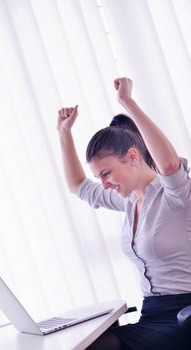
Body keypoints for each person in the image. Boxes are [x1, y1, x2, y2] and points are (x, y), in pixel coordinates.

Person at [57, 77, 191, 350]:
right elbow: (78, 187)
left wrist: (127, 102)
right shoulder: (128, 201)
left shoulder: (176, 195)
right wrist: (64, 133)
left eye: (106, 173)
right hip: (150, 316)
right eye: (99, 176)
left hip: (184, 316)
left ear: (132, 156)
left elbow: (167, 164)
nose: (103, 183)